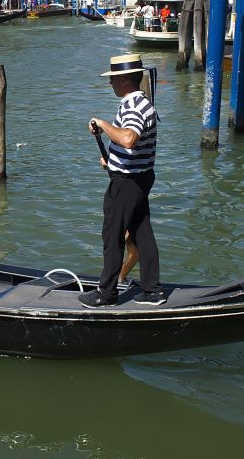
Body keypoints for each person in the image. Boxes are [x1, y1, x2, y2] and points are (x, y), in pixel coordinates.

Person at [79, 53, 165, 308]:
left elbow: (129, 138)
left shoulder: (133, 106)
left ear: (125, 80)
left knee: (112, 236)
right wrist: (112, 159)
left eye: (113, 80)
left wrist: (103, 124)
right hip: (140, 178)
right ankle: (153, 290)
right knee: (143, 234)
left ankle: (106, 294)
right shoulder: (144, 103)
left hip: (127, 184)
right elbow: (132, 147)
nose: (110, 84)